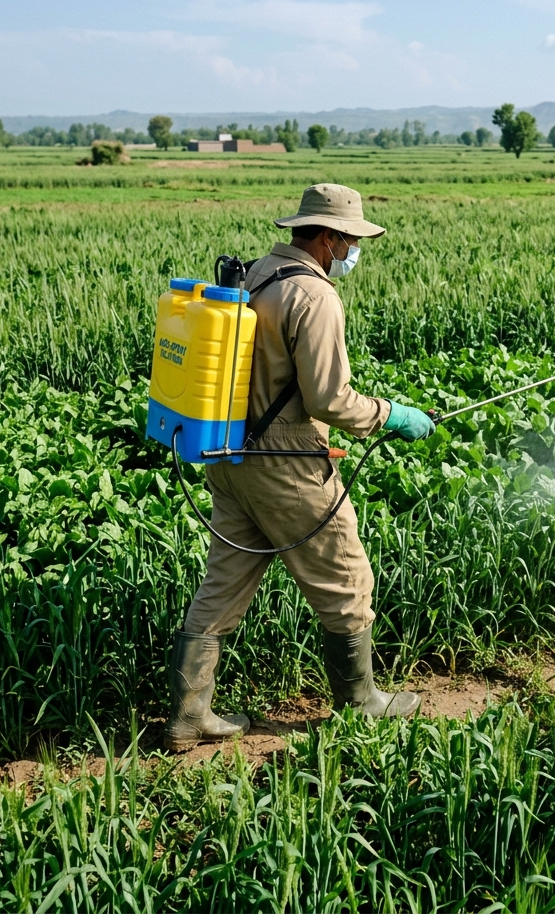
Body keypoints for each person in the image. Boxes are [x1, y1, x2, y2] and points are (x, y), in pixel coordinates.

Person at [164, 183, 435, 752]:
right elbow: (329, 401)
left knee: (224, 582)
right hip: (286, 461)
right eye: (351, 240)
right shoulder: (315, 297)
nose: (353, 250)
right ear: (331, 238)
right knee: (345, 577)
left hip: (228, 451)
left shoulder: (257, 273)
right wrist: (393, 415)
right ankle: (362, 704)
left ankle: (190, 716)